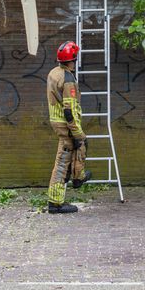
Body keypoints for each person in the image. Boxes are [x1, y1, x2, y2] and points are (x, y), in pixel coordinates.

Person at [46, 41, 89, 214]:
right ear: (73, 59)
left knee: (67, 156)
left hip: (58, 122)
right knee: (63, 161)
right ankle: (56, 203)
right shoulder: (68, 79)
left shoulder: (54, 73)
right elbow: (69, 110)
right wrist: (78, 133)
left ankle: (79, 176)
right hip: (66, 125)